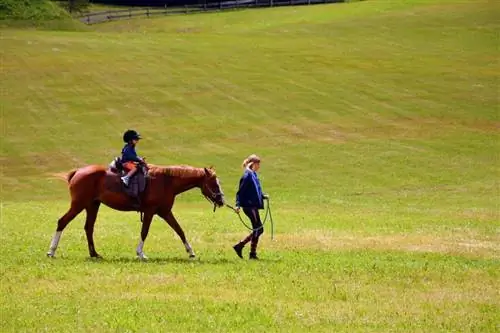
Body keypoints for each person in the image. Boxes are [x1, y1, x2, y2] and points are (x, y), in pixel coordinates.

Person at [232, 154, 268, 260]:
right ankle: (241, 247)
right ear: (253, 164)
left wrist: (262, 196)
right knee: (258, 229)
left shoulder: (253, 175)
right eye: (258, 164)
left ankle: (250, 252)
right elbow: (240, 192)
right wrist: (238, 205)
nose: (259, 167)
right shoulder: (247, 175)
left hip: (253, 206)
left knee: (258, 229)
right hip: (249, 206)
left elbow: (255, 190)